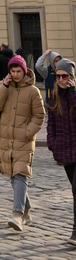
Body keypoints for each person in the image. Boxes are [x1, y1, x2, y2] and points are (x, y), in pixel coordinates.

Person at [0, 54, 44, 232]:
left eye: (18, 71)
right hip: (6, 139)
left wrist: (27, 132)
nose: (15, 74)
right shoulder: (3, 86)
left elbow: (39, 116)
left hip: (25, 141)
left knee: (20, 175)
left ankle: (18, 215)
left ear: (24, 71)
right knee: (14, 177)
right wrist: (4, 86)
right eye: (12, 71)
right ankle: (26, 209)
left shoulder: (33, 91)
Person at [46, 58, 76, 245]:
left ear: (72, 77)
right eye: (58, 76)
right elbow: (51, 124)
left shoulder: (74, 95)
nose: (61, 80)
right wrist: (52, 144)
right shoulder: (53, 97)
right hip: (65, 150)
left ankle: (75, 232)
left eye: (65, 76)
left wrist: (73, 92)